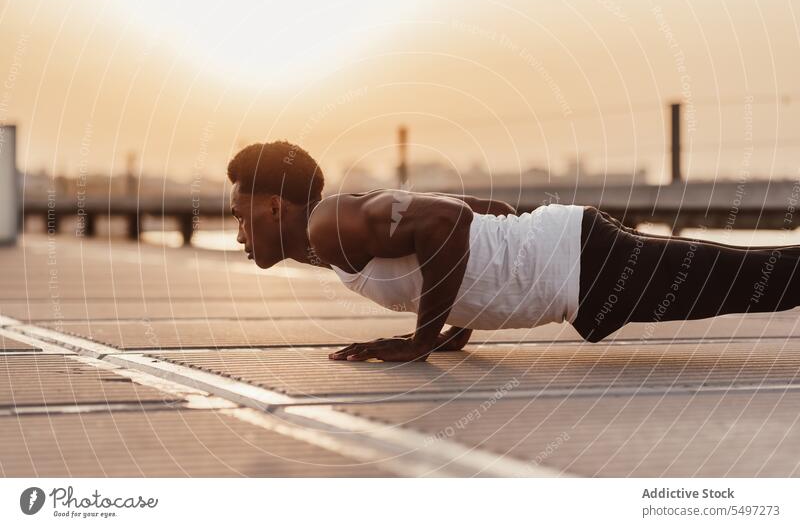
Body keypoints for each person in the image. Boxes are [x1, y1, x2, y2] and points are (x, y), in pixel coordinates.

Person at [227, 140, 800, 362]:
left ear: (275, 207)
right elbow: (479, 209)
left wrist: (423, 338)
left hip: (579, 263)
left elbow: (450, 222)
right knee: (763, 281)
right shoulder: (333, 239)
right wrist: (459, 316)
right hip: (572, 268)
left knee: (770, 280)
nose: (237, 234)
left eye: (240, 216)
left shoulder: (331, 224)